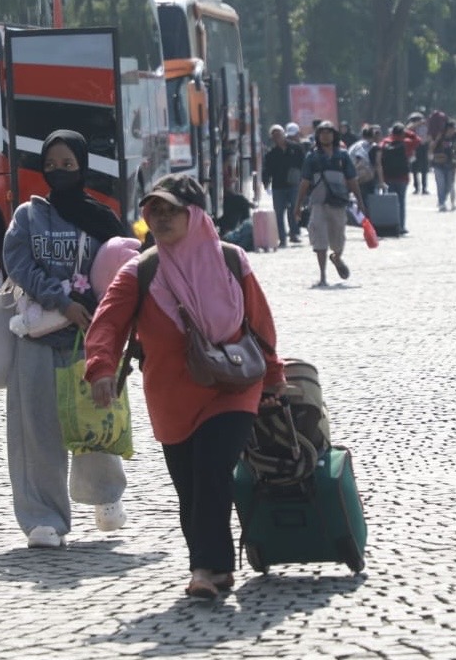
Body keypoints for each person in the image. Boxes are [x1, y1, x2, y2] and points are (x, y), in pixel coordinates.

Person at [84, 173, 286, 599]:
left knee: (212, 471)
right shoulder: (140, 271)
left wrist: (273, 376)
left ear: (194, 214)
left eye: (170, 210)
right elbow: (108, 322)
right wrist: (100, 367)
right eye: (153, 210)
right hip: (172, 397)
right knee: (190, 488)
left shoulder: (231, 260)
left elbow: (260, 322)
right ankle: (217, 567)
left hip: (233, 386)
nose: (160, 217)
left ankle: (204, 570)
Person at [2, 130, 129, 549]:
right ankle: (44, 518)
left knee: (96, 419)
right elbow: (19, 264)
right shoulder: (28, 216)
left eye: (68, 164)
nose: (58, 171)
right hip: (37, 336)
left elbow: (124, 268)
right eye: (50, 165)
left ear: (82, 166)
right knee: (36, 430)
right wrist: (62, 301)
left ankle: (105, 495)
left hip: (91, 336)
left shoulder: (103, 218)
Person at [294, 121, 367, 287]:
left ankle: (337, 258)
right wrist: (297, 206)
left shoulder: (343, 156)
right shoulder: (312, 157)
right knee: (319, 239)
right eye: (322, 133)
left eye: (329, 132)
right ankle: (322, 276)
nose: (326, 136)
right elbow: (304, 182)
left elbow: (352, 180)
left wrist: (360, 201)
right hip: (318, 203)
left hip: (338, 203)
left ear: (334, 135)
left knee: (338, 239)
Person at [263, 124, 305, 247]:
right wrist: (265, 182)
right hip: (278, 186)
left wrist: (305, 179)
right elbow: (267, 170)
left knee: (294, 209)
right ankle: (282, 238)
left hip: (294, 185)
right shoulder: (271, 154)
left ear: (284, 135)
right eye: (274, 136)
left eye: (279, 135)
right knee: (279, 213)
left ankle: (294, 233)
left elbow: (304, 164)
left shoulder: (296, 148)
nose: (277, 138)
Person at [378, 122, 418, 234]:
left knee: (390, 203)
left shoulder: (385, 142)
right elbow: (417, 140)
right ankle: (401, 226)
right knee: (401, 202)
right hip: (402, 177)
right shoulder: (406, 143)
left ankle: (391, 225)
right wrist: (408, 132)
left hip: (388, 177)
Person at [428, 112, 456, 212]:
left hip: (450, 164)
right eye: (452, 129)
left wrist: (450, 120)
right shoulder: (440, 137)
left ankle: (443, 200)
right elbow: (432, 148)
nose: (453, 131)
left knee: (449, 185)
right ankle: (441, 203)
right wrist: (437, 138)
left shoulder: (455, 137)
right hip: (438, 164)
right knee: (440, 185)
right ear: (448, 129)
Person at [408, 112, 431, 195]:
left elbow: (430, 135)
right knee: (414, 169)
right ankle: (416, 187)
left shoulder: (426, 126)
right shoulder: (412, 127)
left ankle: (424, 188)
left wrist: (425, 141)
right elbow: (408, 128)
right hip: (415, 148)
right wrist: (417, 123)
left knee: (424, 169)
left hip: (424, 147)